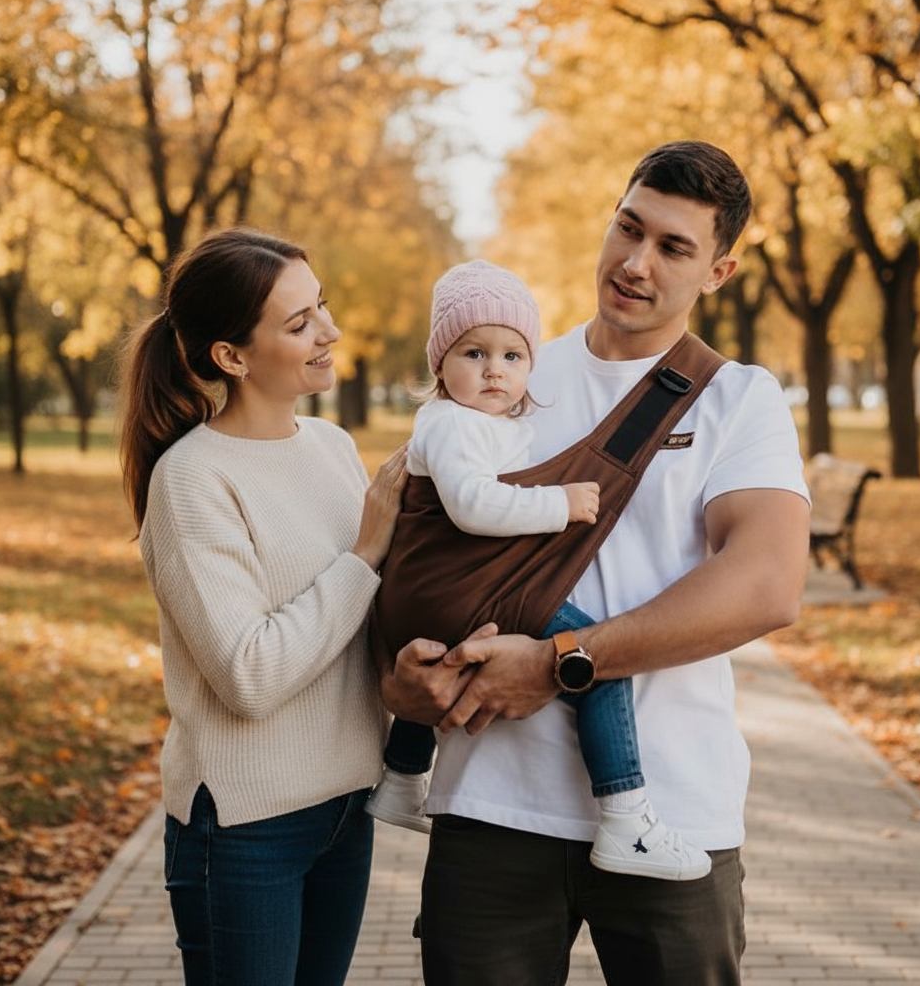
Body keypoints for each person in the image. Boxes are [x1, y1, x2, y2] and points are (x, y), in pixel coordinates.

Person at [379, 140, 812, 985]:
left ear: (717, 271)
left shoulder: (737, 399)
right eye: (629, 228)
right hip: (490, 801)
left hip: (672, 812)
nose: (636, 263)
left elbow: (765, 585)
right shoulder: (500, 371)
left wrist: (560, 663)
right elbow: (416, 550)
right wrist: (394, 679)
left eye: (673, 248)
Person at [117, 227, 409, 986]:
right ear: (232, 357)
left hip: (346, 804)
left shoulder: (332, 446)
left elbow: (364, 618)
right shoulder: (192, 482)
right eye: (299, 322)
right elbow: (249, 673)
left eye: (322, 306)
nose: (330, 331)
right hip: (247, 831)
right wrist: (366, 554)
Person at [365, 258, 712, 882]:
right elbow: (472, 507)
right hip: (460, 587)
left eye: (513, 355)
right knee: (593, 659)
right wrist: (560, 503)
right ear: (439, 363)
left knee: (447, 655)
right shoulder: (450, 423)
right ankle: (626, 817)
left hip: (434, 592)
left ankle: (400, 781)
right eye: (474, 353)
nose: (495, 369)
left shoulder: (491, 423)